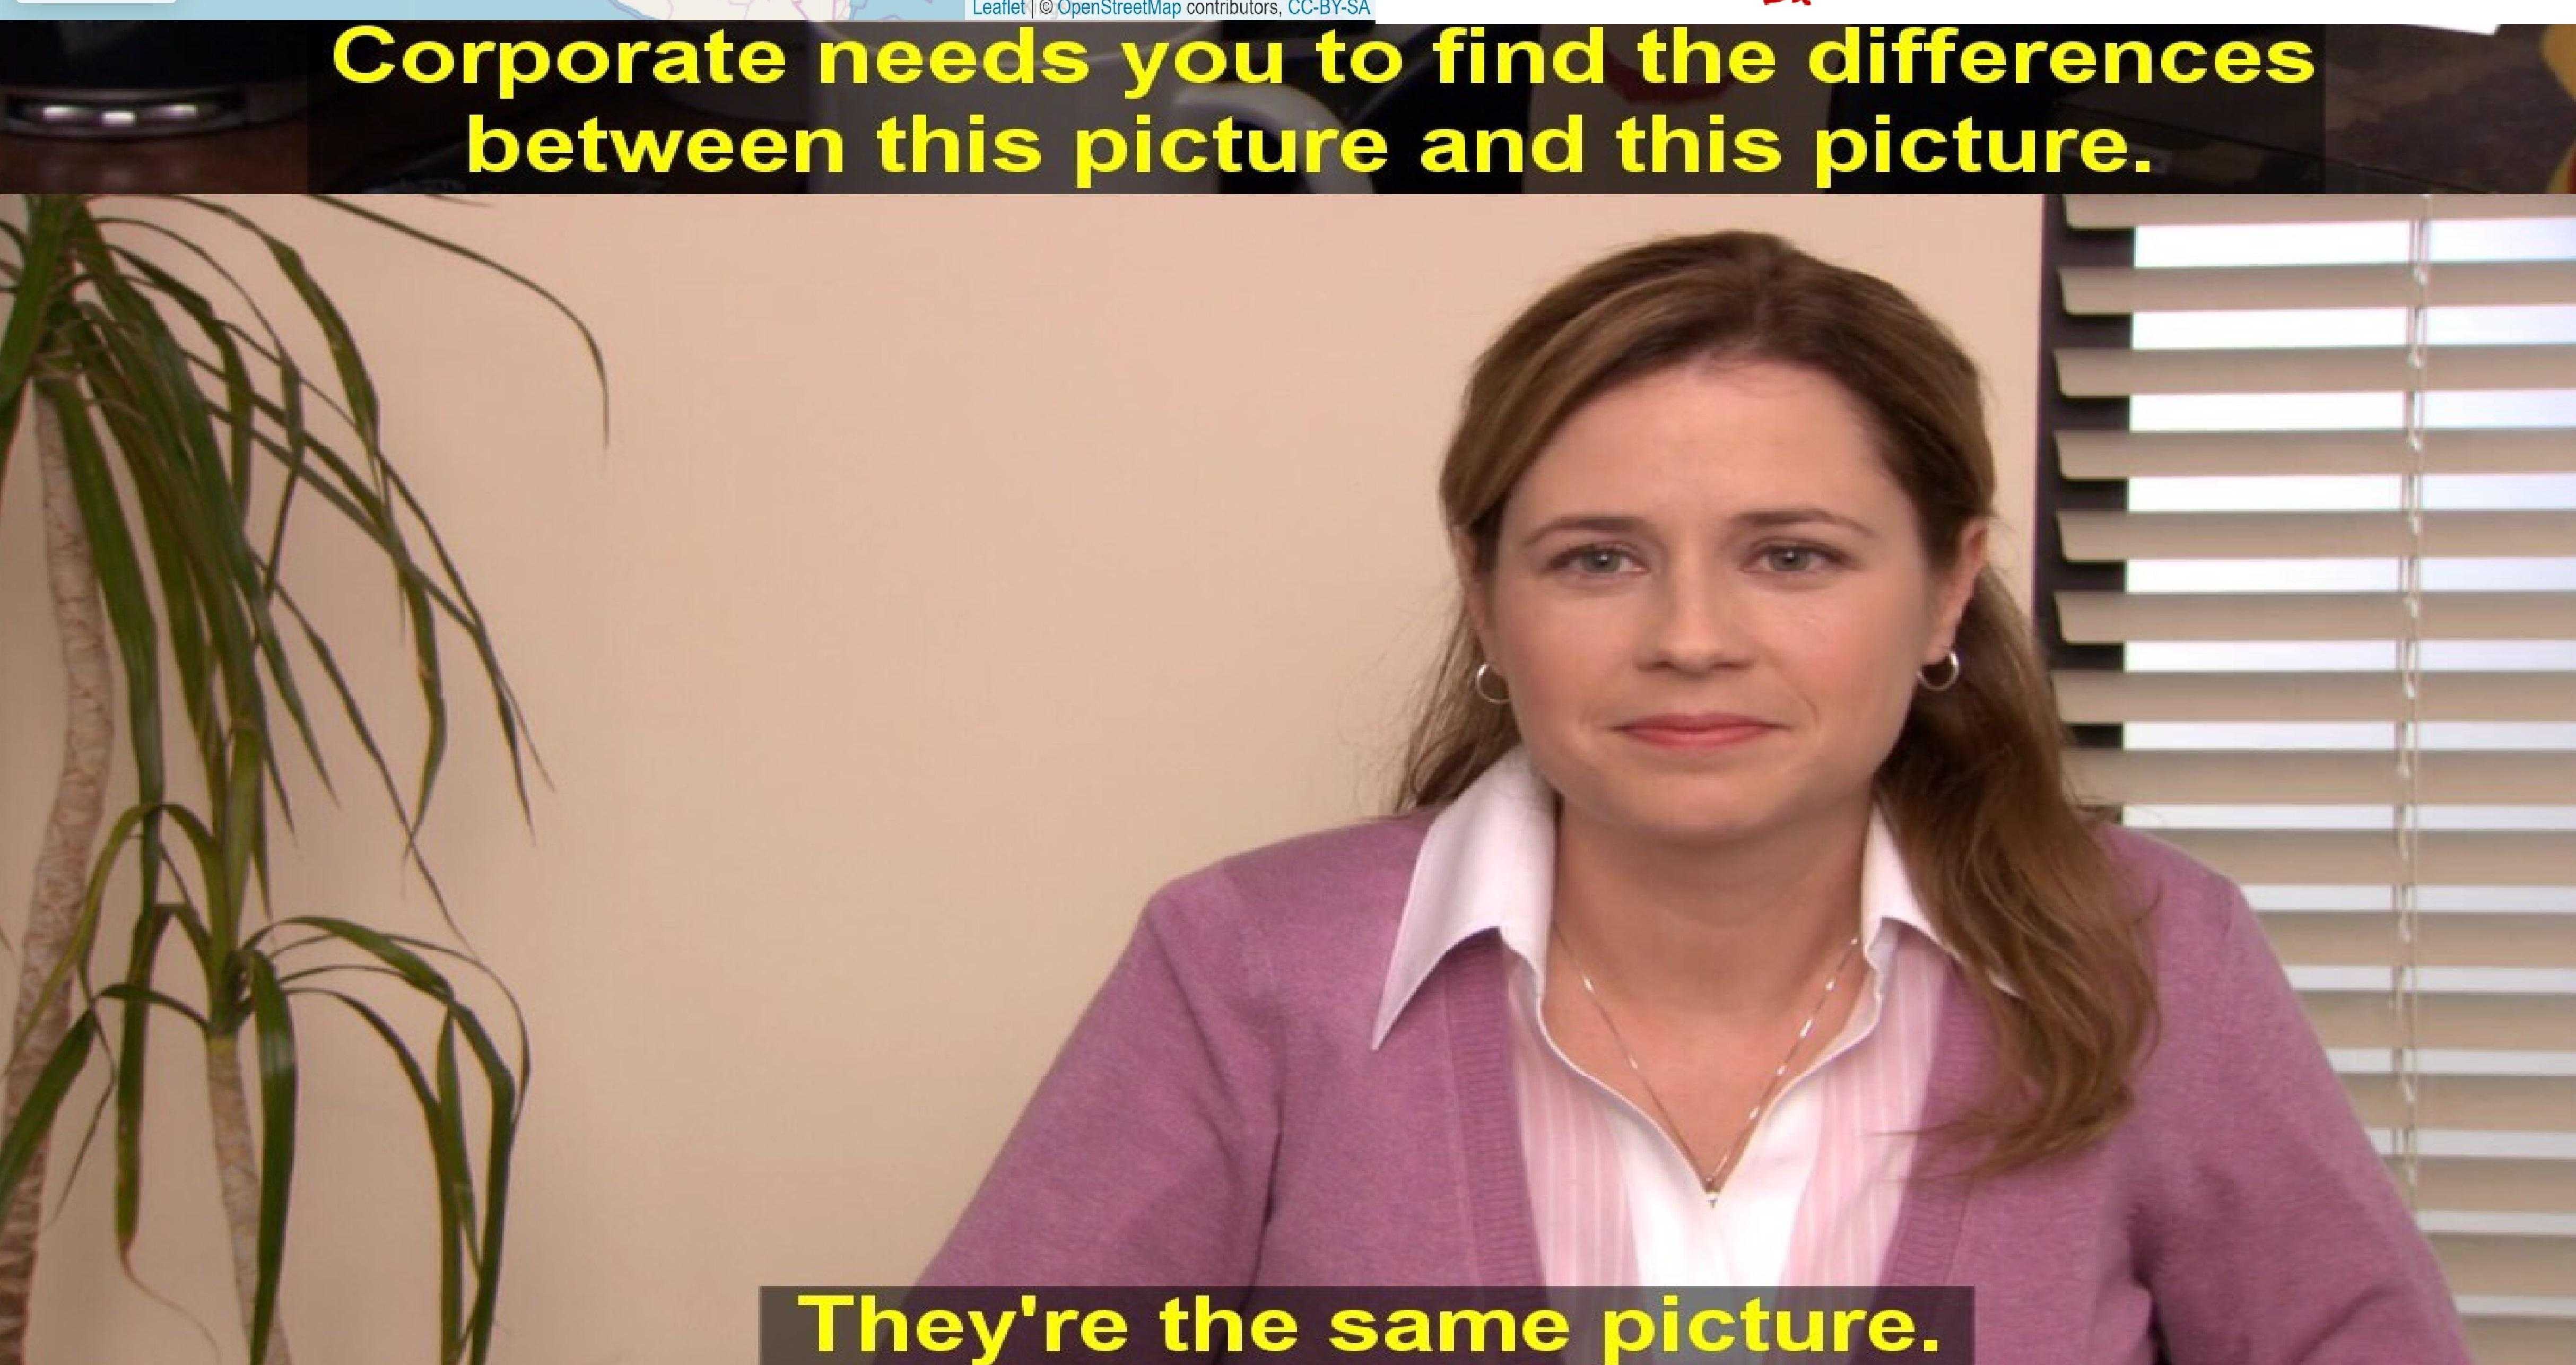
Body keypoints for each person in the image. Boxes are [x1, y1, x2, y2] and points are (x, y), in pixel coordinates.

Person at [921, 231, 2471, 1362]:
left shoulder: (2154, 955)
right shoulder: (1246, 964)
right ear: (1485, 593)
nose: (1690, 638)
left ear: (1947, 592)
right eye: (1599, 558)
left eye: (1793, 556)